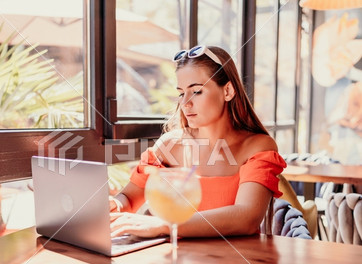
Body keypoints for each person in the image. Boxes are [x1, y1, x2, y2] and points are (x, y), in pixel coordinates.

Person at [110, 45, 286, 238]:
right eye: (181, 93)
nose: (185, 103)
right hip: (176, 261)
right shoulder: (170, 146)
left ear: (227, 91)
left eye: (196, 91)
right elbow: (128, 197)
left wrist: (165, 225)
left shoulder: (258, 147)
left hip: (234, 263)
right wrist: (117, 204)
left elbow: (247, 218)